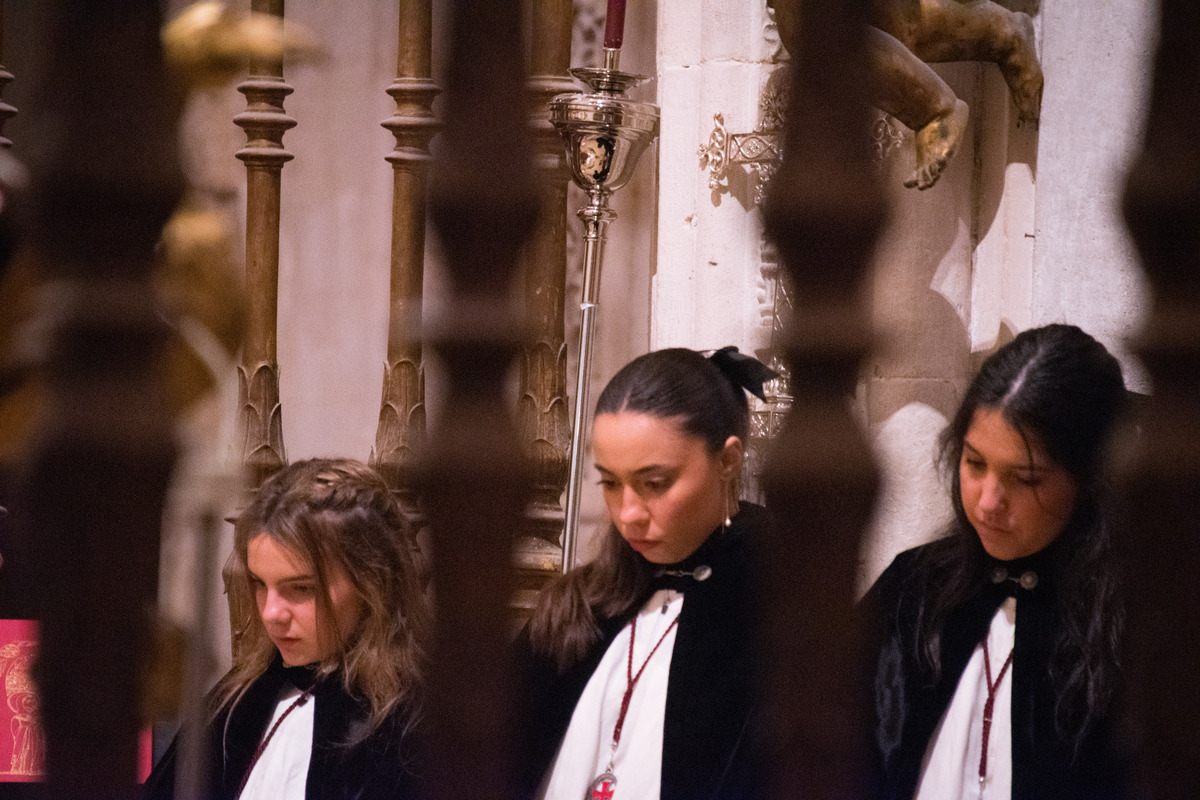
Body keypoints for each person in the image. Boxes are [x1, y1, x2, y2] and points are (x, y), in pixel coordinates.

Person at [862, 324, 1129, 799]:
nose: (988, 501)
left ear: (1091, 480)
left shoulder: (1136, 620)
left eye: (1024, 479)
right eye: (974, 463)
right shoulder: (913, 588)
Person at [515, 346, 777, 800]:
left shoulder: (778, 608)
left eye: (655, 484)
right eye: (611, 483)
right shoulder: (583, 604)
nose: (629, 514)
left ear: (728, 461)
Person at [142, 458, 430, 800]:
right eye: (260, 584)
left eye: (301, 589)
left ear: (372, 585)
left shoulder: (415, 725)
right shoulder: (236, 703)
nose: (271, 613)